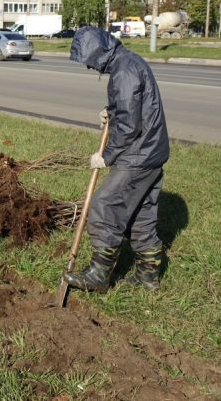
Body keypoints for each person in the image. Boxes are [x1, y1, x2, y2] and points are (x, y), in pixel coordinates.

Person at [64, 26, 170, 292]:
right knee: (140, 216)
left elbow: (129, 126)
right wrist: (110, 111)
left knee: (104, 205)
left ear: (98, 52)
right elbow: (129, 107)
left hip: (139, 153)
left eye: (89, 60)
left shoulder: (124, 70)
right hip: (153, 151)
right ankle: (148, 277)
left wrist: (106, 156)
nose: (89, 67)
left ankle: (99, 275)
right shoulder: (128, 63)